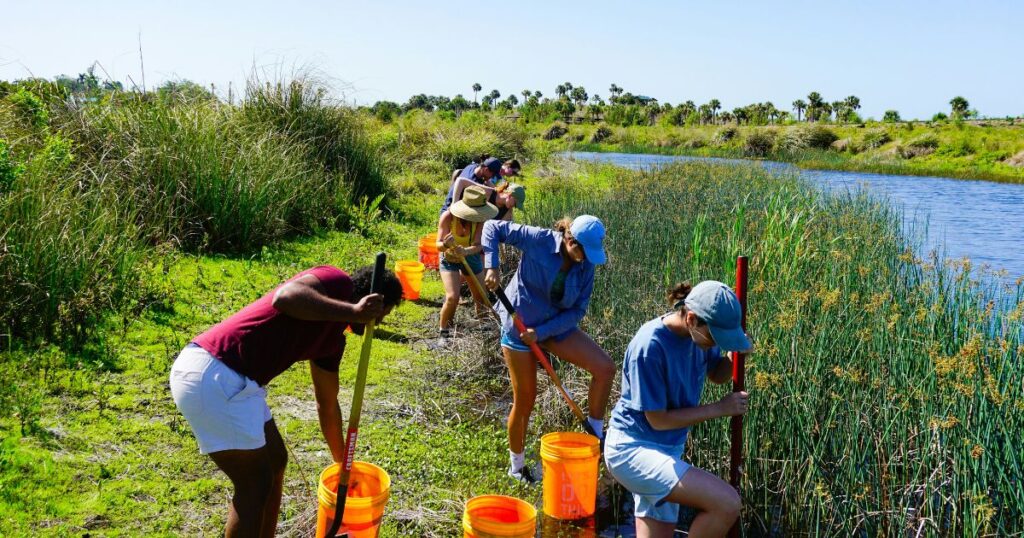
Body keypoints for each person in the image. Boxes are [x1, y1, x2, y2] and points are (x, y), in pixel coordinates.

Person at [168, 265, 404, 537]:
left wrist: (343, 466)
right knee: (254, 484)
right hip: (215, 373)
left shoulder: (332, 343)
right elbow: (286, 297)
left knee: (275, 460)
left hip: (240, 383)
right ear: (372, 301)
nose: (381, 322)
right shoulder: (336, 282)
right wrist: (353, 312)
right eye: (384, 313)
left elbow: (326, 405)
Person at [604, 281, 752, 538]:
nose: (716, 343)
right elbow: (658, 420)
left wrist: (734, 356)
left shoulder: (700, 335)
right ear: (692, 319)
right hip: (631, 450)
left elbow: (716, 374)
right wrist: (719, 408)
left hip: (667, 451)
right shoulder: (649, 347)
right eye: (716, 337)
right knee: (727, 503)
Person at [482, 215, 616, 483]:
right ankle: (517, 468)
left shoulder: (586, 265)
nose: (585, 259)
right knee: (525, 401)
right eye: (582, 252)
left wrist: (541, 333)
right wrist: (492, 267)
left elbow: (578, 309)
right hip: (519, 326)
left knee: (605, 368)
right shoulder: (539, 240)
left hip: (553, 327)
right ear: (569, 239)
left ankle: (595, 437)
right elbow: (491, 227)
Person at [436, 185, 499, 343]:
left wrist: (466, 251)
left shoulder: (480, 222)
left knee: (481, 295)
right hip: (448, 258)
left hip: (470, 257)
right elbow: (437, 245)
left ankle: (484, 329)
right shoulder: (448, 217)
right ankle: (444, 333)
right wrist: (445, 244)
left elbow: (478, 245)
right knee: (452, 297)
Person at [449, 177, 526, 222]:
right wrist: (454, 203)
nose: (514, 207)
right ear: (510, 195)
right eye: (515, 203)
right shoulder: (488, 192)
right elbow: (460, 180)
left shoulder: (508, 211)